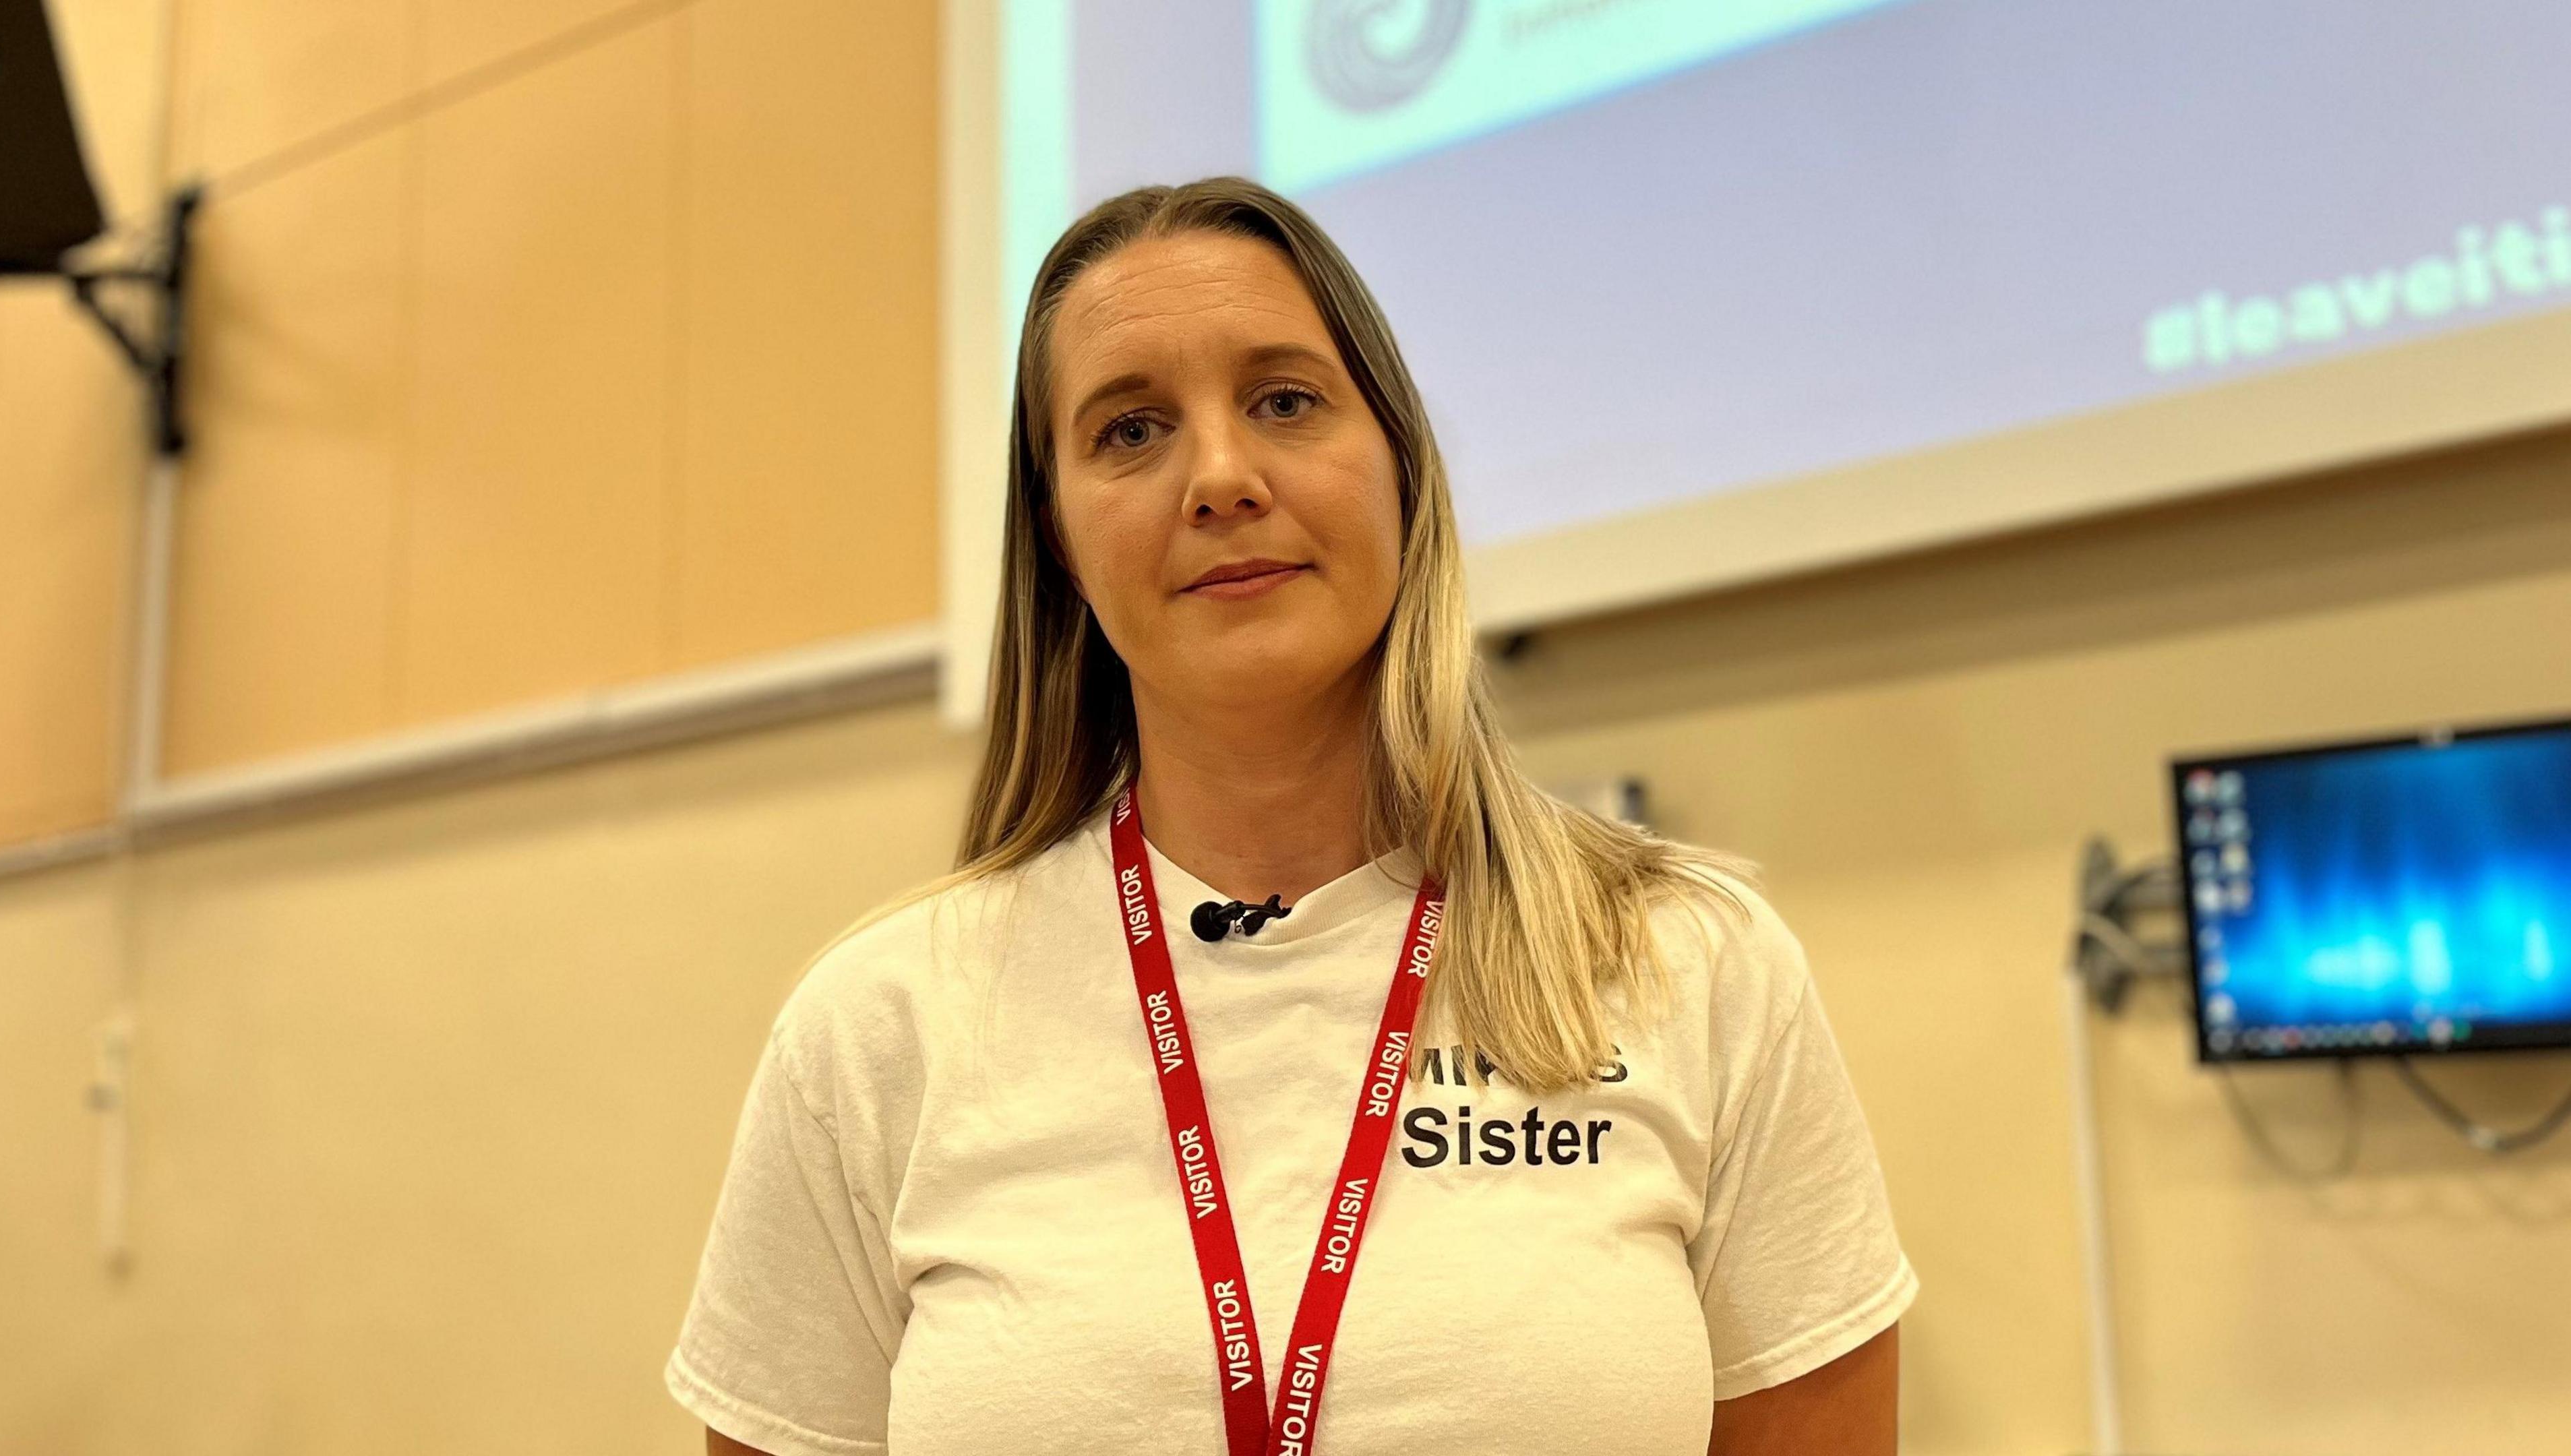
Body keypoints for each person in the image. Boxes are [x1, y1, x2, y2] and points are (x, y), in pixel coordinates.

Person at [663, 177, 1917, 1455]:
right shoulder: (879, 1028)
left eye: (1284, 400)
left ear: (1399, 467)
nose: (1218, 477)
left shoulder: (1694, 963)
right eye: (1131, 430)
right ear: (1057, 536)